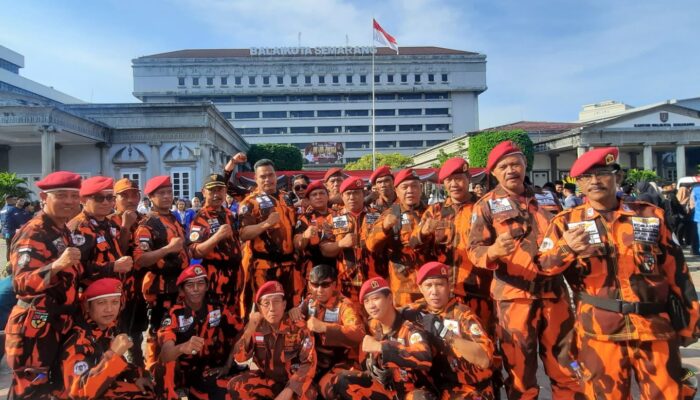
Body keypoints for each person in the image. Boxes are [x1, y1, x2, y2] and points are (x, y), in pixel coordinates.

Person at [538, 147, 700, 399]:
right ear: (579, 183)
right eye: (586, 177)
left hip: (653, 328)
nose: (594, 181)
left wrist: (692, 321)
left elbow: (677, 271)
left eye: (603, 173)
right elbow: (545, 267)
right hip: (599, 332)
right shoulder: (564, 222)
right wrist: (566, 248)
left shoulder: (650, 215)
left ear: (618, 177)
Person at [467, 141, 582, 399]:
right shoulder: (485, 206)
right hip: (514, 299)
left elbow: (567, 240)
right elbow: (474, 250)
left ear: (525, 165)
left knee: (568, 369)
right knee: (521, 375)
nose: (511, 170)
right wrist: (494, 251)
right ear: (494, 172)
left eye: (516, 163)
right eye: (504, 166)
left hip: (555, 297)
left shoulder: (548, 199)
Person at [5, 171, 83, 398]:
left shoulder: (61, 228)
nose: (69, 201)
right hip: (36, 328)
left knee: (56, 388)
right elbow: (21, 284)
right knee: (31, 390)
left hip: (58, 323)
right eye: (61, 195)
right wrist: (56, 265)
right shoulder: (34, 232)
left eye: (73, 195)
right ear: (44, 197)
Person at [410, 158, 495, 335]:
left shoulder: (484, 208)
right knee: (447, 344)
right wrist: (422, 233)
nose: (454, 184)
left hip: (480, 292)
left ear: (468, 178)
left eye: (459, 178)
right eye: (449, 180)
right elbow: (413, 245)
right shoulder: (436, 211)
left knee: (483, 342)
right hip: (444, 294)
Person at [403, 262, 495, 399]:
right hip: (433, 387)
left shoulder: (463, 315)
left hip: (467, 388)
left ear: (449, 287)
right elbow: (385, 319)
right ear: (420, 288)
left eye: (439, 284)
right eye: (428, 285)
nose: (434, 291)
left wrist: (447, 335)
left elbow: (484, 359)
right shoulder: (413, 312)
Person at [332, 277, 434, 400]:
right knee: (343, 380)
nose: (371, 305)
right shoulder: (372, 327)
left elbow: (424, 356)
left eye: (376, 298)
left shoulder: (409, 328)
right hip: (386, 391)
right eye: (366, 301)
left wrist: (382, 347)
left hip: (411, 392)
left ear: (390, 298)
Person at [155, 264, 242, 400]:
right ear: (182, 291)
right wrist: (183, 347)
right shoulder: (174, 314)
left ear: (207, 286)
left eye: (200, 283)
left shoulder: (217, 308)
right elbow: (165, 355)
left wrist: (227, 365)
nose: (196, 289)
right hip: (184, 374)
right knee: (166, 364)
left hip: (211, 370)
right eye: (190, 285)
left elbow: (240, 332)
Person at [61, 278, 154, 399]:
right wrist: (113, 354)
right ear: (87, 306)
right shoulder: (79, 339)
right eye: (101, 303)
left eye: (115, 302)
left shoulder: (106, 329)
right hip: (76, 394)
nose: (109, 309)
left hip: (98, 388)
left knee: (147, 392)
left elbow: (120, 363)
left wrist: (135, 376)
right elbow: (79, 393)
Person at [133, 175, 190, 370]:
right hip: (159, 287)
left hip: (178, 285)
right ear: (151, 197)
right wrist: (167, 250)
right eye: (161, 193)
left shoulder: (173, 218)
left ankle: (174, 371)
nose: (167, 197)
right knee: (158, 330)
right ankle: (154, 370)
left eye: (169, 192)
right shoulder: (148, 223)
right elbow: (140, 259)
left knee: (177, 328)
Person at [227, 280, 317, 400]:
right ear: (259, 307)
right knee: (236, 385)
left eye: (276, 302)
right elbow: (240, 358)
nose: (272, 308)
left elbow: (309, 362)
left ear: (284, 305)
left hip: (295, 382)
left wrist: (289, 390)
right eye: (266, 303)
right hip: (269, 380)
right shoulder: (256, 326)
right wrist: (249, 329)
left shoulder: (299, 327)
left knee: (309, 394)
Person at [288, 264, 365, 399]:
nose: (319, 290)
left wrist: (324, 327)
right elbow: (293, 322)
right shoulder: (309, 301)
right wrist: (292, 312)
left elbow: (358, 333)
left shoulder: (344, 305)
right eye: (315, 285)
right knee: (299, 391)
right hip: (313, 363)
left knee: (336, 389)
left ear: (334, 284)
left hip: (339, 363)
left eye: (325, 285)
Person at [239, 159, 298, 309]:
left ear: (276, 176)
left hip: (288, 266)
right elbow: (243, 233)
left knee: (288, 310)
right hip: (264, 268)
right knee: (266, 310)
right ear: (255, 179)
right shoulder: (249, 202)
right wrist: (265, 224)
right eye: (263, 176)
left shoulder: (286, 197)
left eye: (271, 175)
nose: (268, 180)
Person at [366, 169, 428, 307]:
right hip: (403, 287)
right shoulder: (390, 214)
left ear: (421, 188)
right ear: (397, 190)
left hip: (430, 285)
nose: (410, 191)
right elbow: (370, 244)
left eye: (414, 186)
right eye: (405, 187)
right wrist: (385, 227)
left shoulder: (432, 212)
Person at [188, 174, 243, 313]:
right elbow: (194, 251)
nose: (216, 194)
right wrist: (217, 237)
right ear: (204, 192)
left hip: (235, 275)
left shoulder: (229, 214)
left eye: (220, 190)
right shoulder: (200, 217)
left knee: (235, 315)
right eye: (212, 190)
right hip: (215, 276)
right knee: (216, 316)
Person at [69, 176, 133, 288]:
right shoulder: (80, 227)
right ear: (83, 200)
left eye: (109, 198)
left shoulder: (109, 223)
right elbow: (74, 268)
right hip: (92, 296)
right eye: (99, 198)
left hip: (113, 292)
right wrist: (112, 267)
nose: (105, 202)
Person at [319, 176, 376, 301]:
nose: (352, 197)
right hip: (346, 284)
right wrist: (340, 244)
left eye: (356, 193)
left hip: (375, 281)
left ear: (364, 194)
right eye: (348, 193)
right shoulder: (332, 219)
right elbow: (324, 249)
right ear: (342, 196)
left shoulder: (377, 216)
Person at [110, 177, 147, 366]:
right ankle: (114, 370)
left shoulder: (145, 220)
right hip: (117, 290)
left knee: (136, 332)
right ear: (115, 198)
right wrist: (125, 226)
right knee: (117, 333)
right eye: (125, 196)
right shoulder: (108, 222)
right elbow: (118, 254)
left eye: (134, 195)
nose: (131, 199)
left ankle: (137, 366)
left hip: (140, 287)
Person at [294, 180, 335, 299]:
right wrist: (305, 236)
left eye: (322, 193)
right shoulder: (304, 218)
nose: (318, 197)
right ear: (308, 200)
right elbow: (297, 244)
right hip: (313, 270)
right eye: (314, 194)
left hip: (337, 267)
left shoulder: (339, 215)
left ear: (328, 196)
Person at [1, 194, 17, 261]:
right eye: (13, 199)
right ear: (8, 200)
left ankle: (8, 261)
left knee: (8, 246)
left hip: (6, 231)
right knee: (14, 246)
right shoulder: (13, 209)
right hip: (12, 231)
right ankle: (13, 261)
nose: (15, 201)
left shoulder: (2, 209)